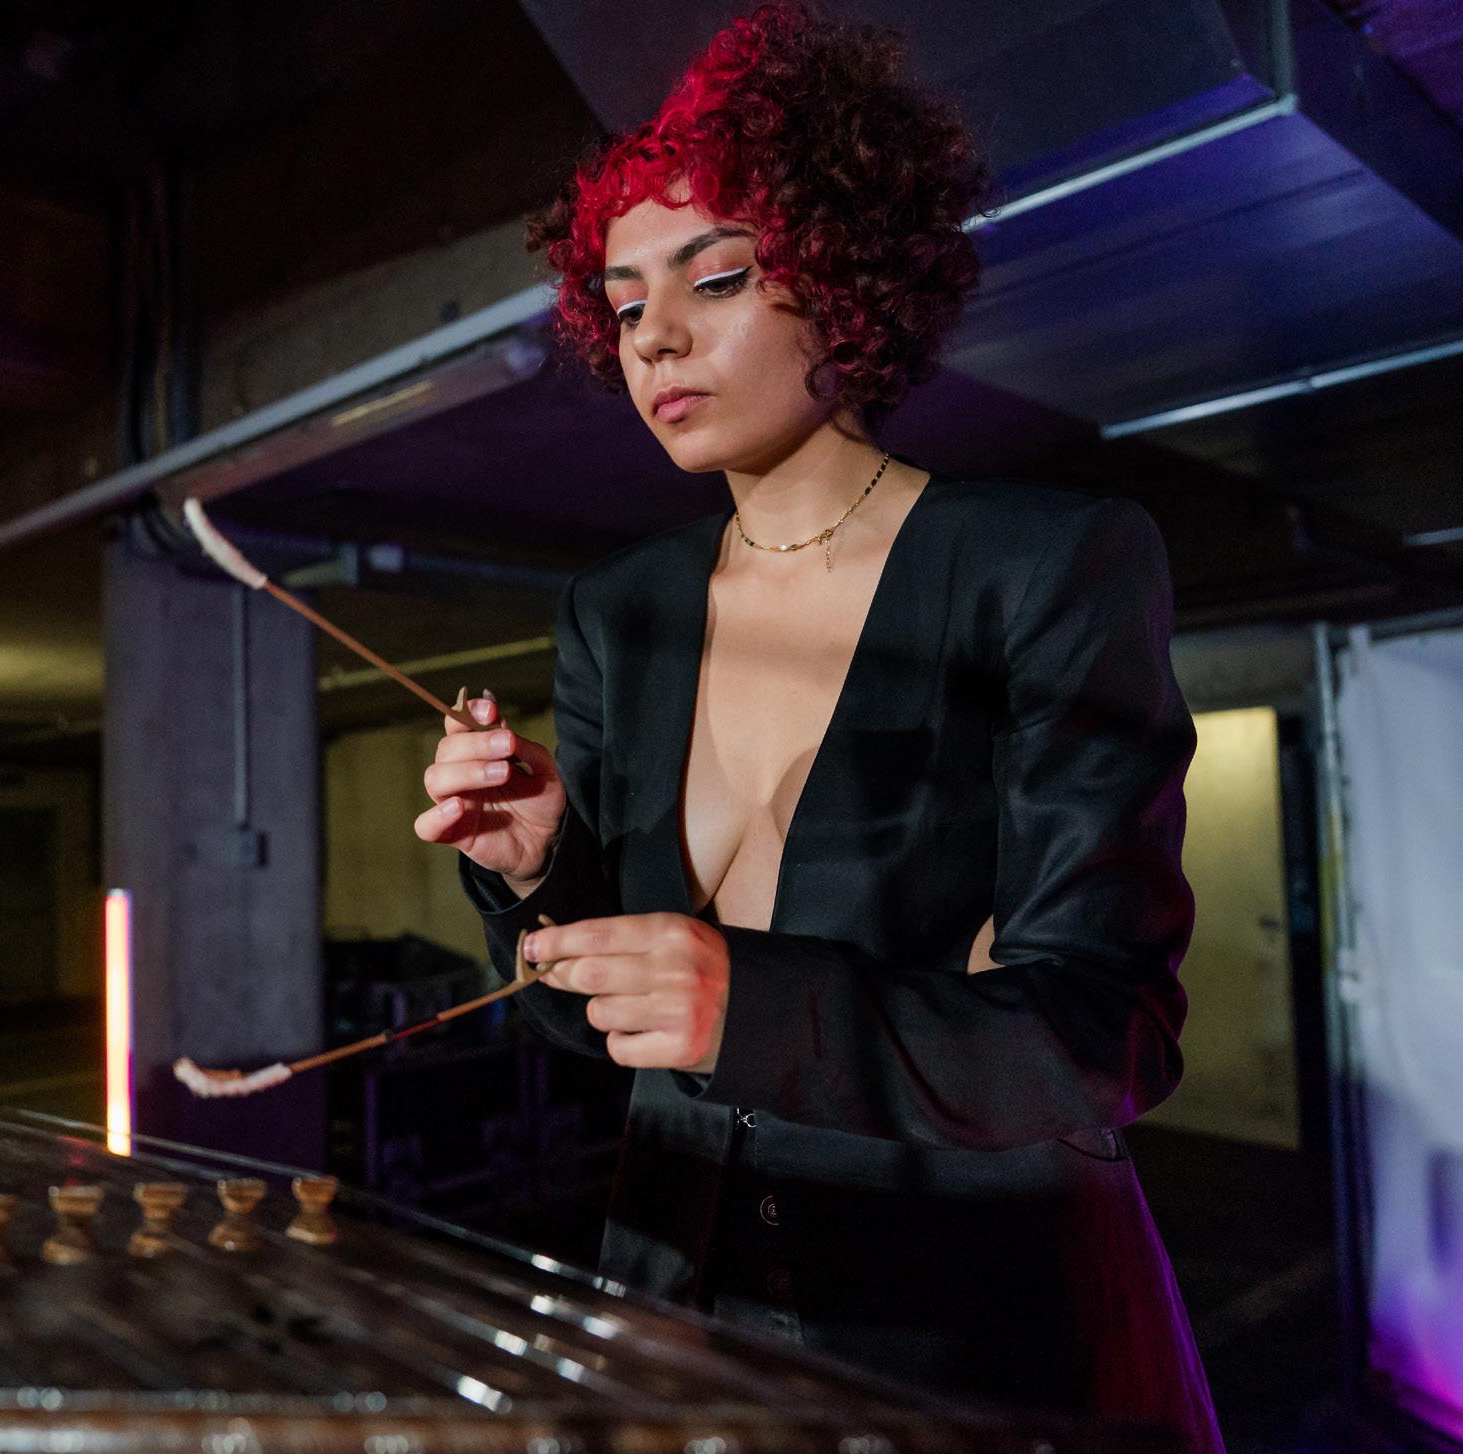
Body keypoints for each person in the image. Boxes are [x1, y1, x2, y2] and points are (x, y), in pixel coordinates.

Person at [415, 5, 1219, 1447]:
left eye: (715, 276)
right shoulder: (618, 611)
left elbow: (1104, 1034)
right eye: (625, 303)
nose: (658, 335)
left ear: (843, 280)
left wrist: (752, 1004)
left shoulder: (1044, 563)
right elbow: (591, 1024)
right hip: (678, 1302)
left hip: (969, 1331)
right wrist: (536, 871)